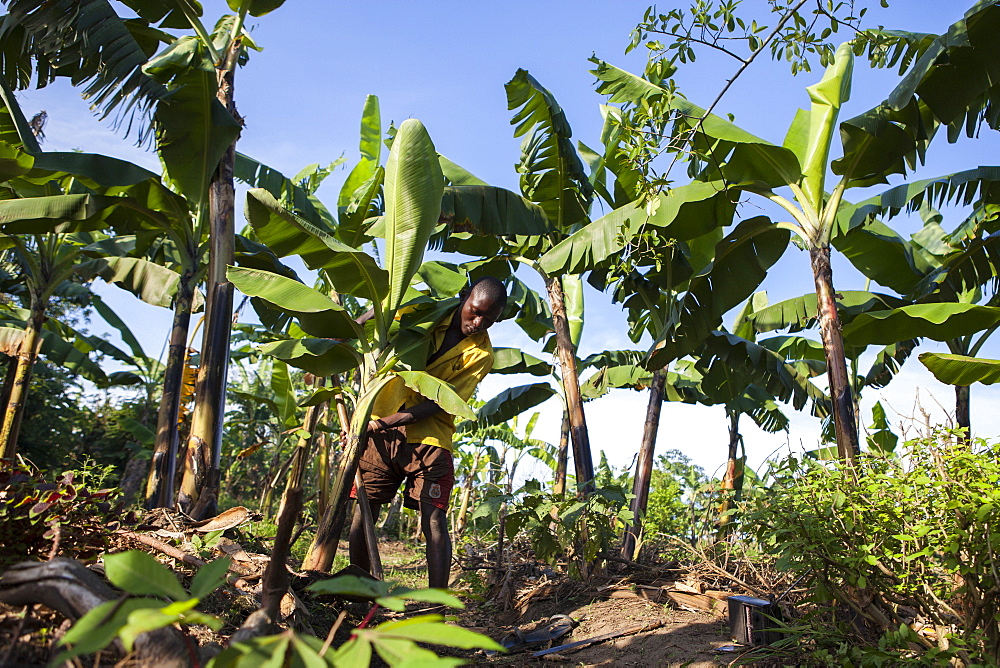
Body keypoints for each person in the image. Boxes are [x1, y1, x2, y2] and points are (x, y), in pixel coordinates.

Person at [349, 277, 507, 588]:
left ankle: (436, 606)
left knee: (433, 520)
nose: (478, 323)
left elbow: (443, 402)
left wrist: (382, 423)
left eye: (489, 320)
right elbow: (380, 315)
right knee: (363, 512)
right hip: (380, 423)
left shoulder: (481, 355)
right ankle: (356, 593)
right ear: (464, 297)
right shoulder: (422, 311)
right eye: (474, 312)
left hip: (430, 438)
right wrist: (348, 331)